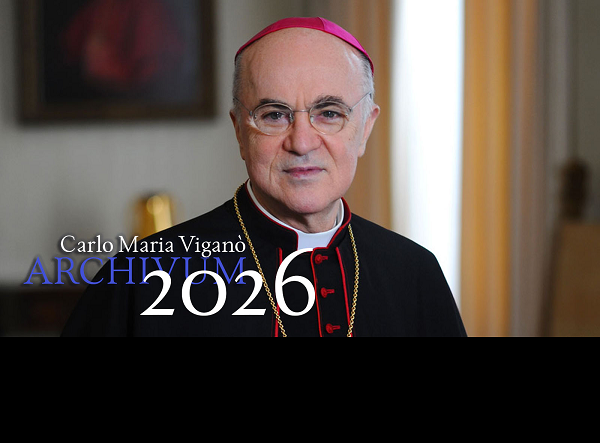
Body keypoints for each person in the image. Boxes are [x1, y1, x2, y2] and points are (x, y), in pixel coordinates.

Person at [62, 17, 467, 337]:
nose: (302, 142)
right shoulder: (147, 275)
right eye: (274, 115)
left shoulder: (415, 273)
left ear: (364, 128)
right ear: (240, 131)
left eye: (329, 113)